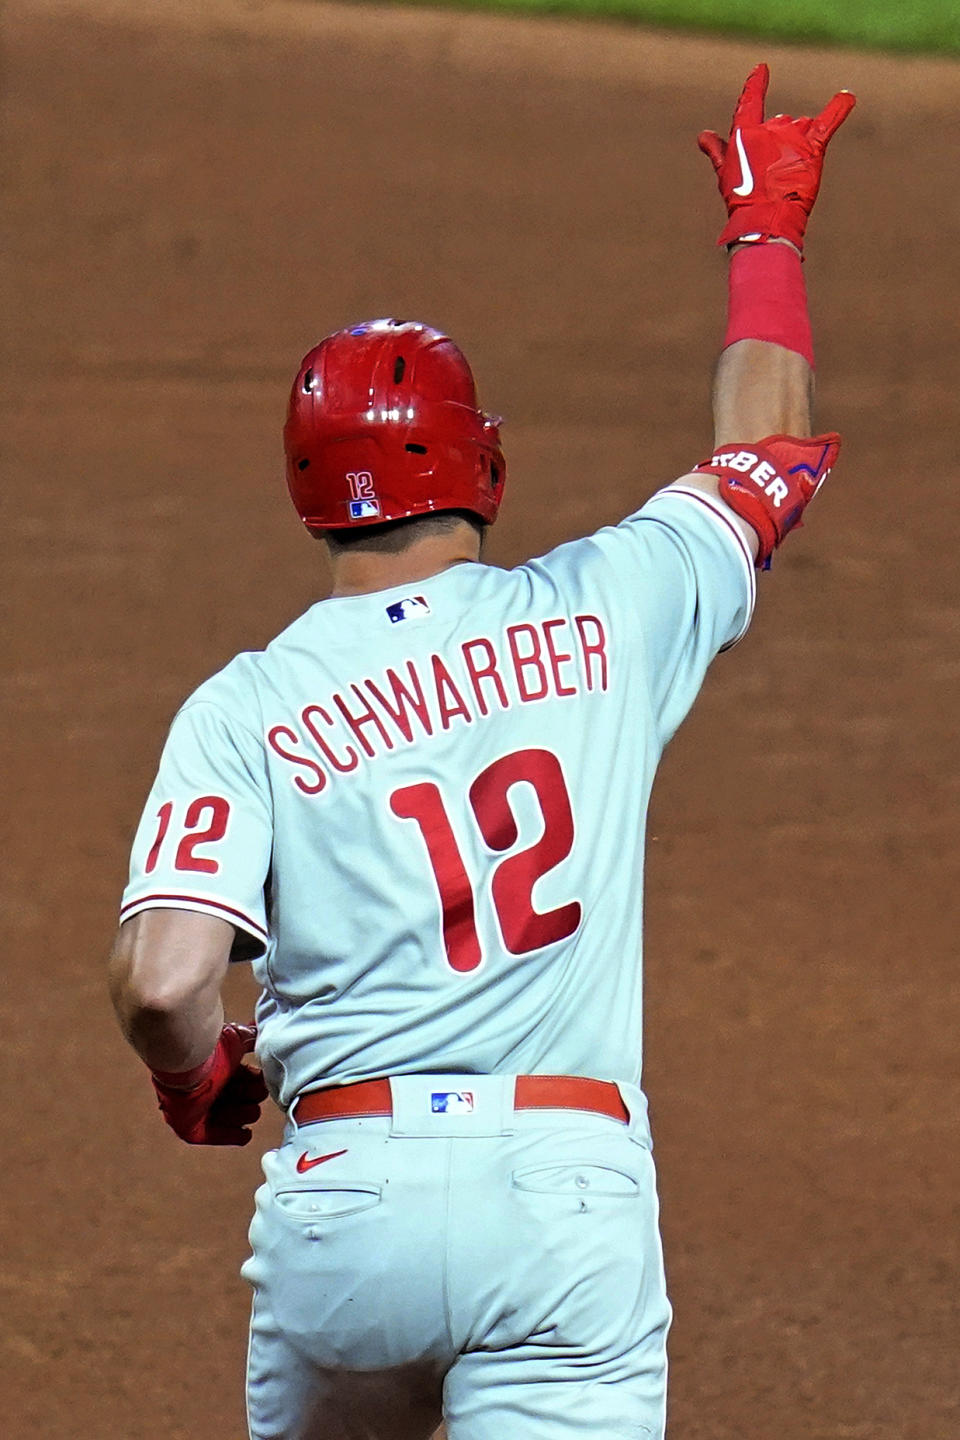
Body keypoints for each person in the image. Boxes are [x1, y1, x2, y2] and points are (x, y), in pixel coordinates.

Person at [109, 65, 854, 1440]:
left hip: (349, 1200)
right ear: (483, 464)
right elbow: (770, 443)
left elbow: (166, 984)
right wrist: (768, 231)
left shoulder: (248, 703)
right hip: (567, 1200)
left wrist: (195, 1077)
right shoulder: (613, 600)